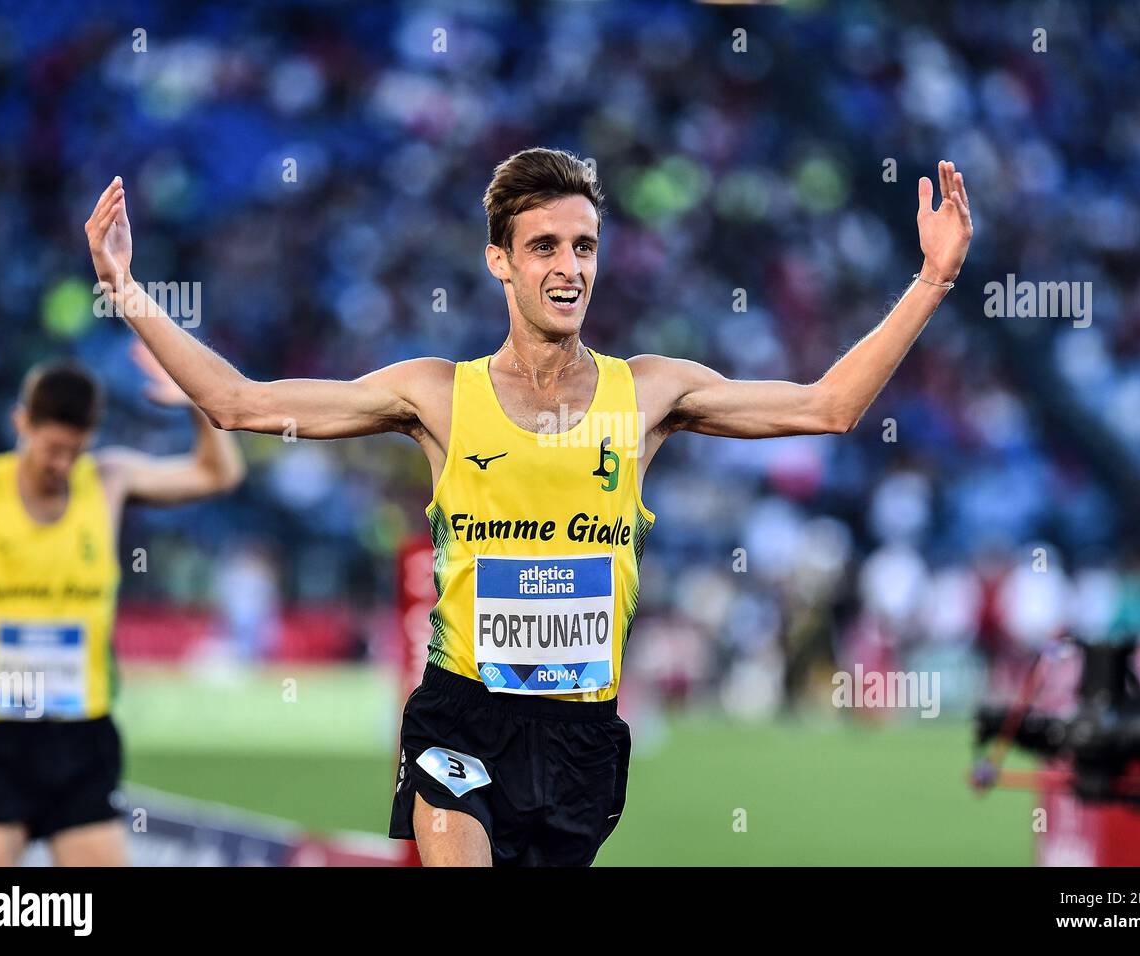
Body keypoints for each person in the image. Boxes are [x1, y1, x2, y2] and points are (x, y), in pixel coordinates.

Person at [83, 147, 972, 866]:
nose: (568, 267)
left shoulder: (651, 394)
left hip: (581, 735)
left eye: (584, 246)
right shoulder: (434, 396)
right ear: (499, 261)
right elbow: (242, 403)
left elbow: (828, 407)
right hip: (461, 712)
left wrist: (930, 282)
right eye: (544, 247)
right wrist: (126, 291)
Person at [0, 341, 245, 865]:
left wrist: (198, 403)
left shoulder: (107, 481)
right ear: (21, 422)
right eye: (50, 448)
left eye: (73, 450)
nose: (61, 464)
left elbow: (218, 475)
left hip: (82, 734)